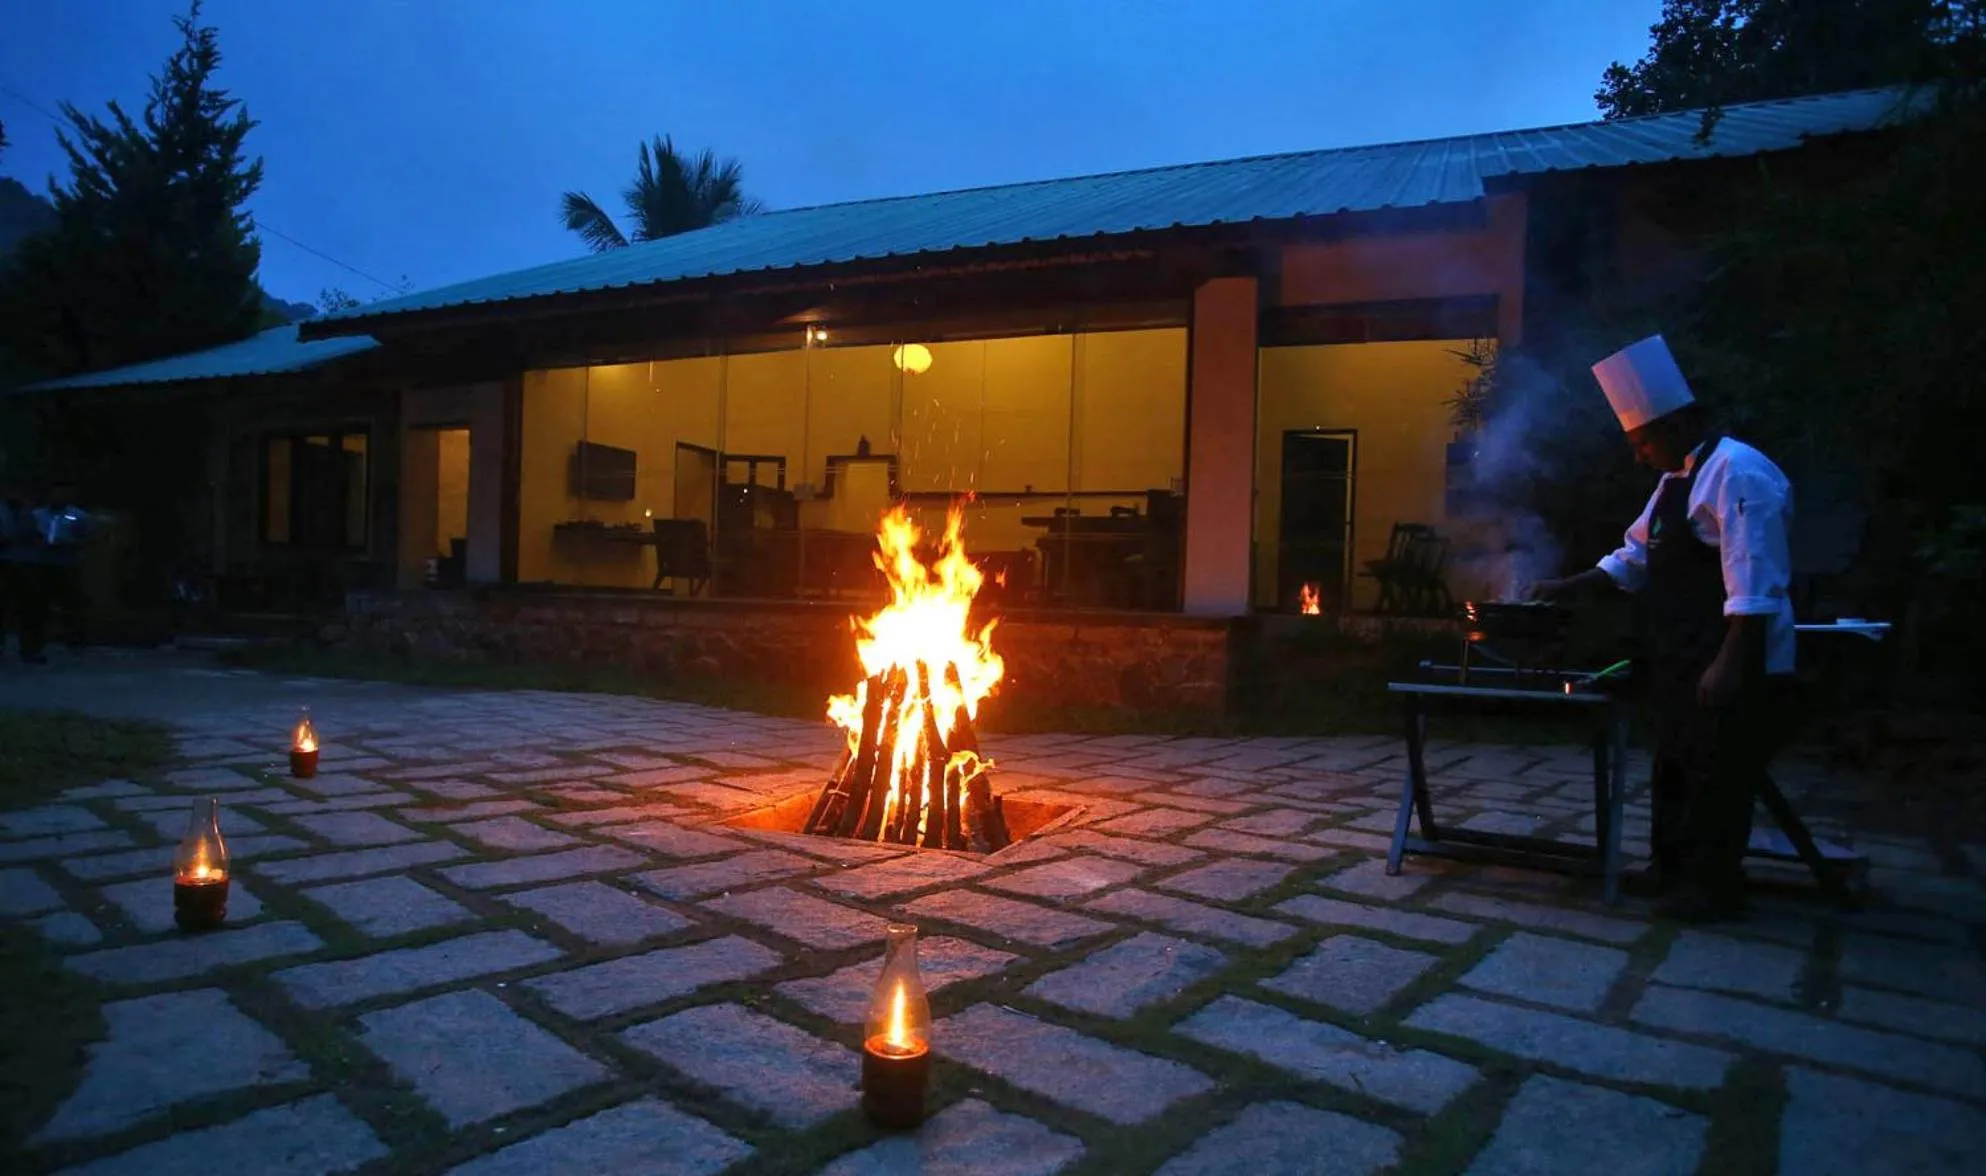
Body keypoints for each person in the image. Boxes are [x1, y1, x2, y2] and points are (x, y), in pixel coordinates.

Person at [1532, 335, 1795, 922]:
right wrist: (1565, 587)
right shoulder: (1677, 480)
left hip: (1732, 655)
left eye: (1640, 440)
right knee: (1673, 763)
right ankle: (1668, 869)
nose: (1636, 454)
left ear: (1674, 424)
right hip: (1681, 654)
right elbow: (1634, 557)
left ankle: (1715, 888)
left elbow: (1756, 577)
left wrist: (1730, 662)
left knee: (1717, 773)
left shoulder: (1738, 472)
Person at [0, 481, 52, 663]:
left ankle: (31, 649)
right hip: (4, 563)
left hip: (27, 564)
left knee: (30, 610)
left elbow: (44, 535)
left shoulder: (34, 513)